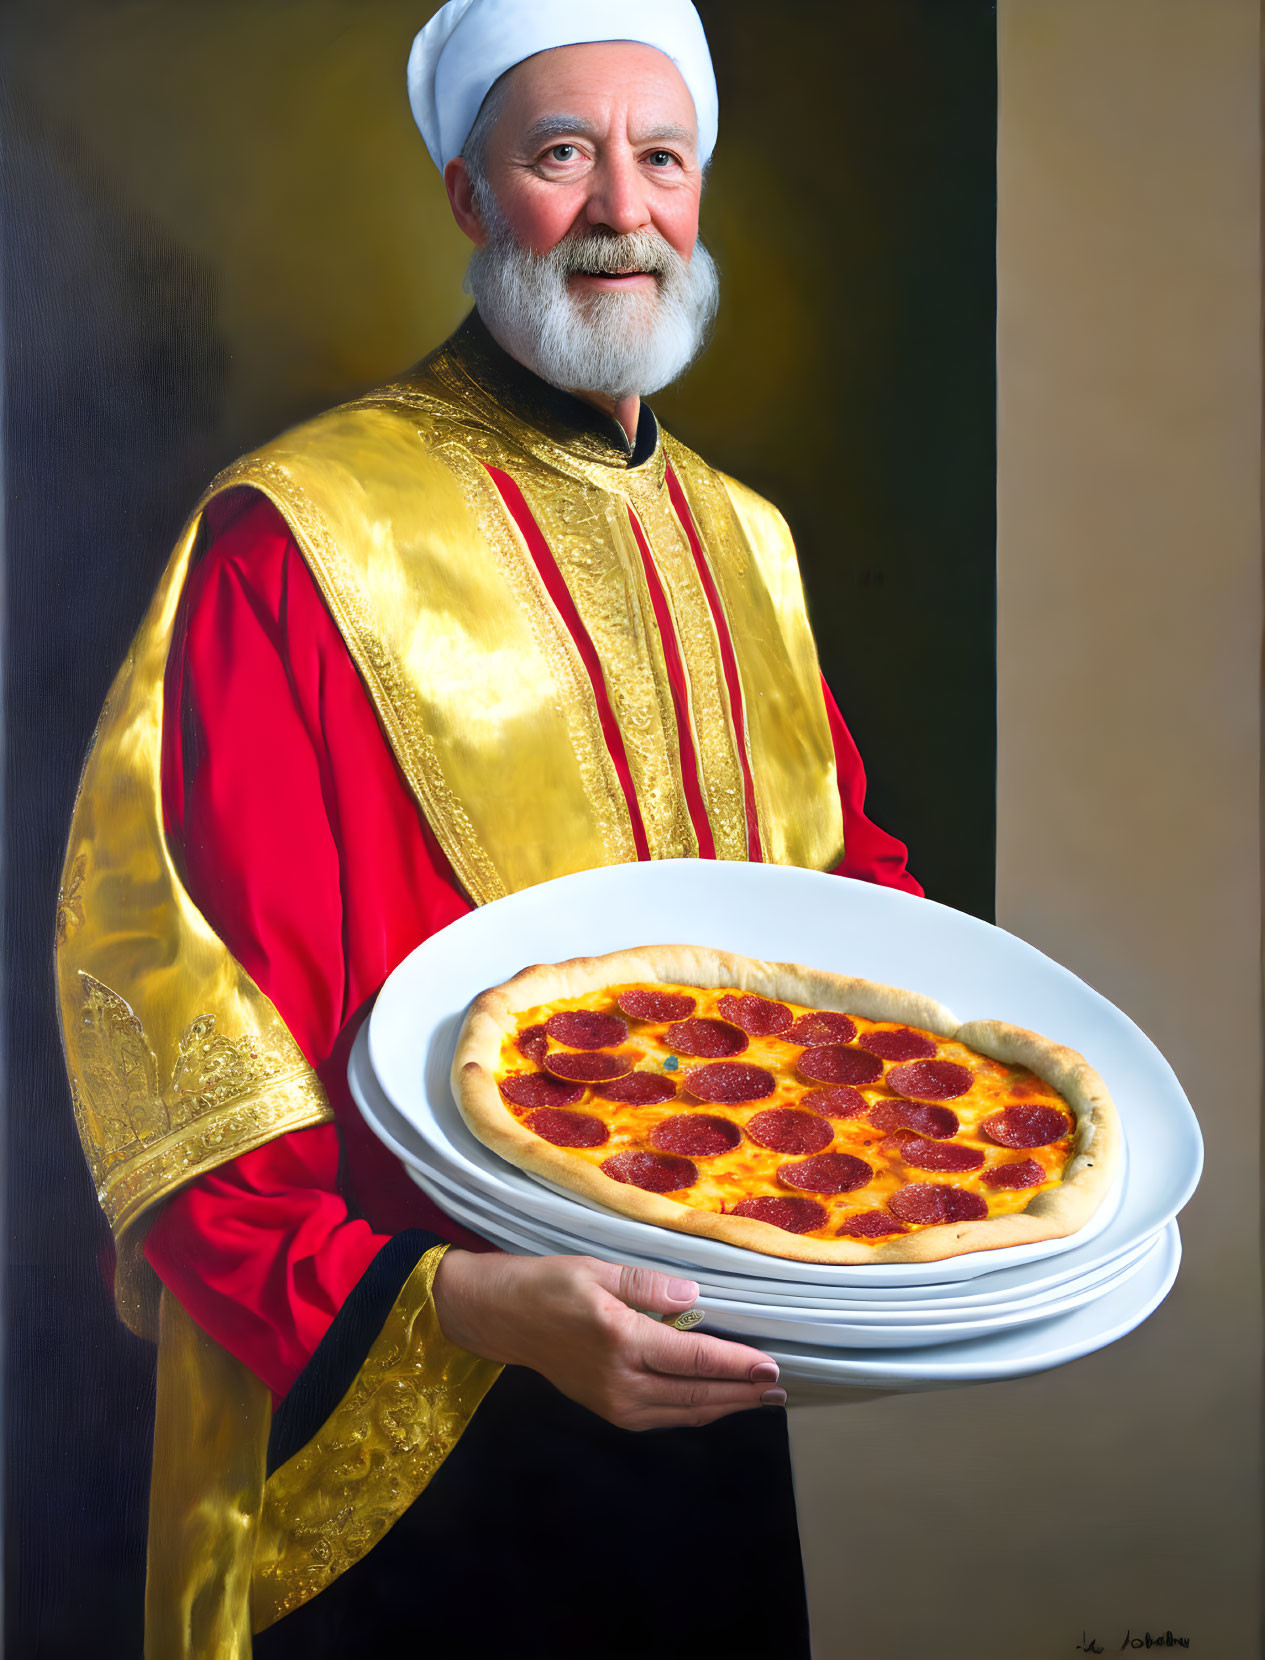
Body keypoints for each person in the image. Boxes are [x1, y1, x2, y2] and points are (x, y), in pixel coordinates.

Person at [55, 3, 921, 1654]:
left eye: (659, 158)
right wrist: (450, 1303)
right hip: (422, 1408)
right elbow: (172, 1018)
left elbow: (849, 898)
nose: (619, 206)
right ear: (467, 197)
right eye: (558, 155)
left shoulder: (750, 541)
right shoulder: (293, 536)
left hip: (728, 1340)